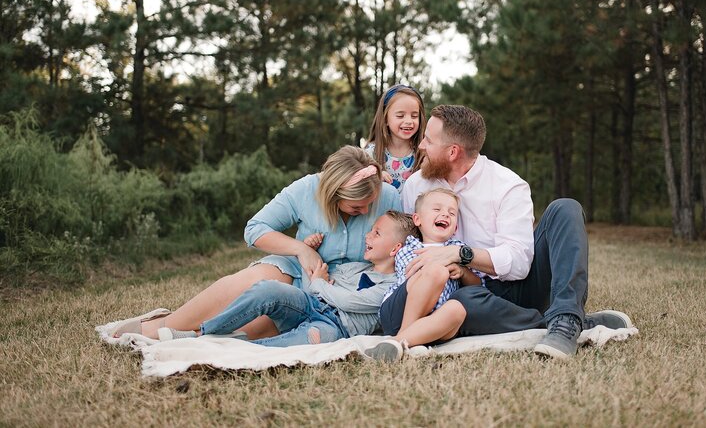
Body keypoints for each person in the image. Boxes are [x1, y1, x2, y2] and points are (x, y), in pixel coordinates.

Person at [396, 105, 632, 360]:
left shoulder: (507, 185)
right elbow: (413, 242)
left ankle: (565, 320)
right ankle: (566, 321)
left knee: (565, 208)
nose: (421, 146)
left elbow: (519, 264)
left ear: (453, 152)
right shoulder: (416, 185)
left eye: (428, 141)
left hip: (517, 290)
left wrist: (460, 254)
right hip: (459, 292)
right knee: (460, 304)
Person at [110, 145, 401, 340]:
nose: (366, 212)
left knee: (247, 333)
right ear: (333, 194)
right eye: (356, 207)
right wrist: (300, 249)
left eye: (369, 204)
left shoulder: (387, 195)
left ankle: (193, 335)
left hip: (346, 288)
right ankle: (162, 325)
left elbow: (408, 239)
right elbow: (255, 229)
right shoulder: (306, 189)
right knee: (259, 278)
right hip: (298, 270)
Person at [158, 211, 418, 347]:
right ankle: (201, 333)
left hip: (337, 327)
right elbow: (316, 281)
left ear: (395, 248)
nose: (367, 236)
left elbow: (348, 301)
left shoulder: (391, 287)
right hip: (309, 304)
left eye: (376, 233)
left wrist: (320, 284)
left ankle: (240, 346)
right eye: (370, 231)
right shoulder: (357, 268)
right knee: (268, 289)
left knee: (314, 340)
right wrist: (311, 255)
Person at [364, 189, 483, 361]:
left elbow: (477, 286)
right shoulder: (409, 248)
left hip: (433, 324)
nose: (445, 214)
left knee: (458, 310)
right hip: (399, 312)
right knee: (437, 271)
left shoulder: (459, 249)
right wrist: (442, 263)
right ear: (417, 219)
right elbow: (413, 274)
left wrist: (463, 272)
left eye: (452, 213)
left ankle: (399, 344)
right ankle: (403, 338)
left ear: (456, 227)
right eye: (437, 210)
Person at [364, 84, 426, 191]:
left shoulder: (423, 153)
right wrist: (374, 176)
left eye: (414, 116)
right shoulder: (370, 153)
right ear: (385, 118)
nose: (408, 121)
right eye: (400, 116)